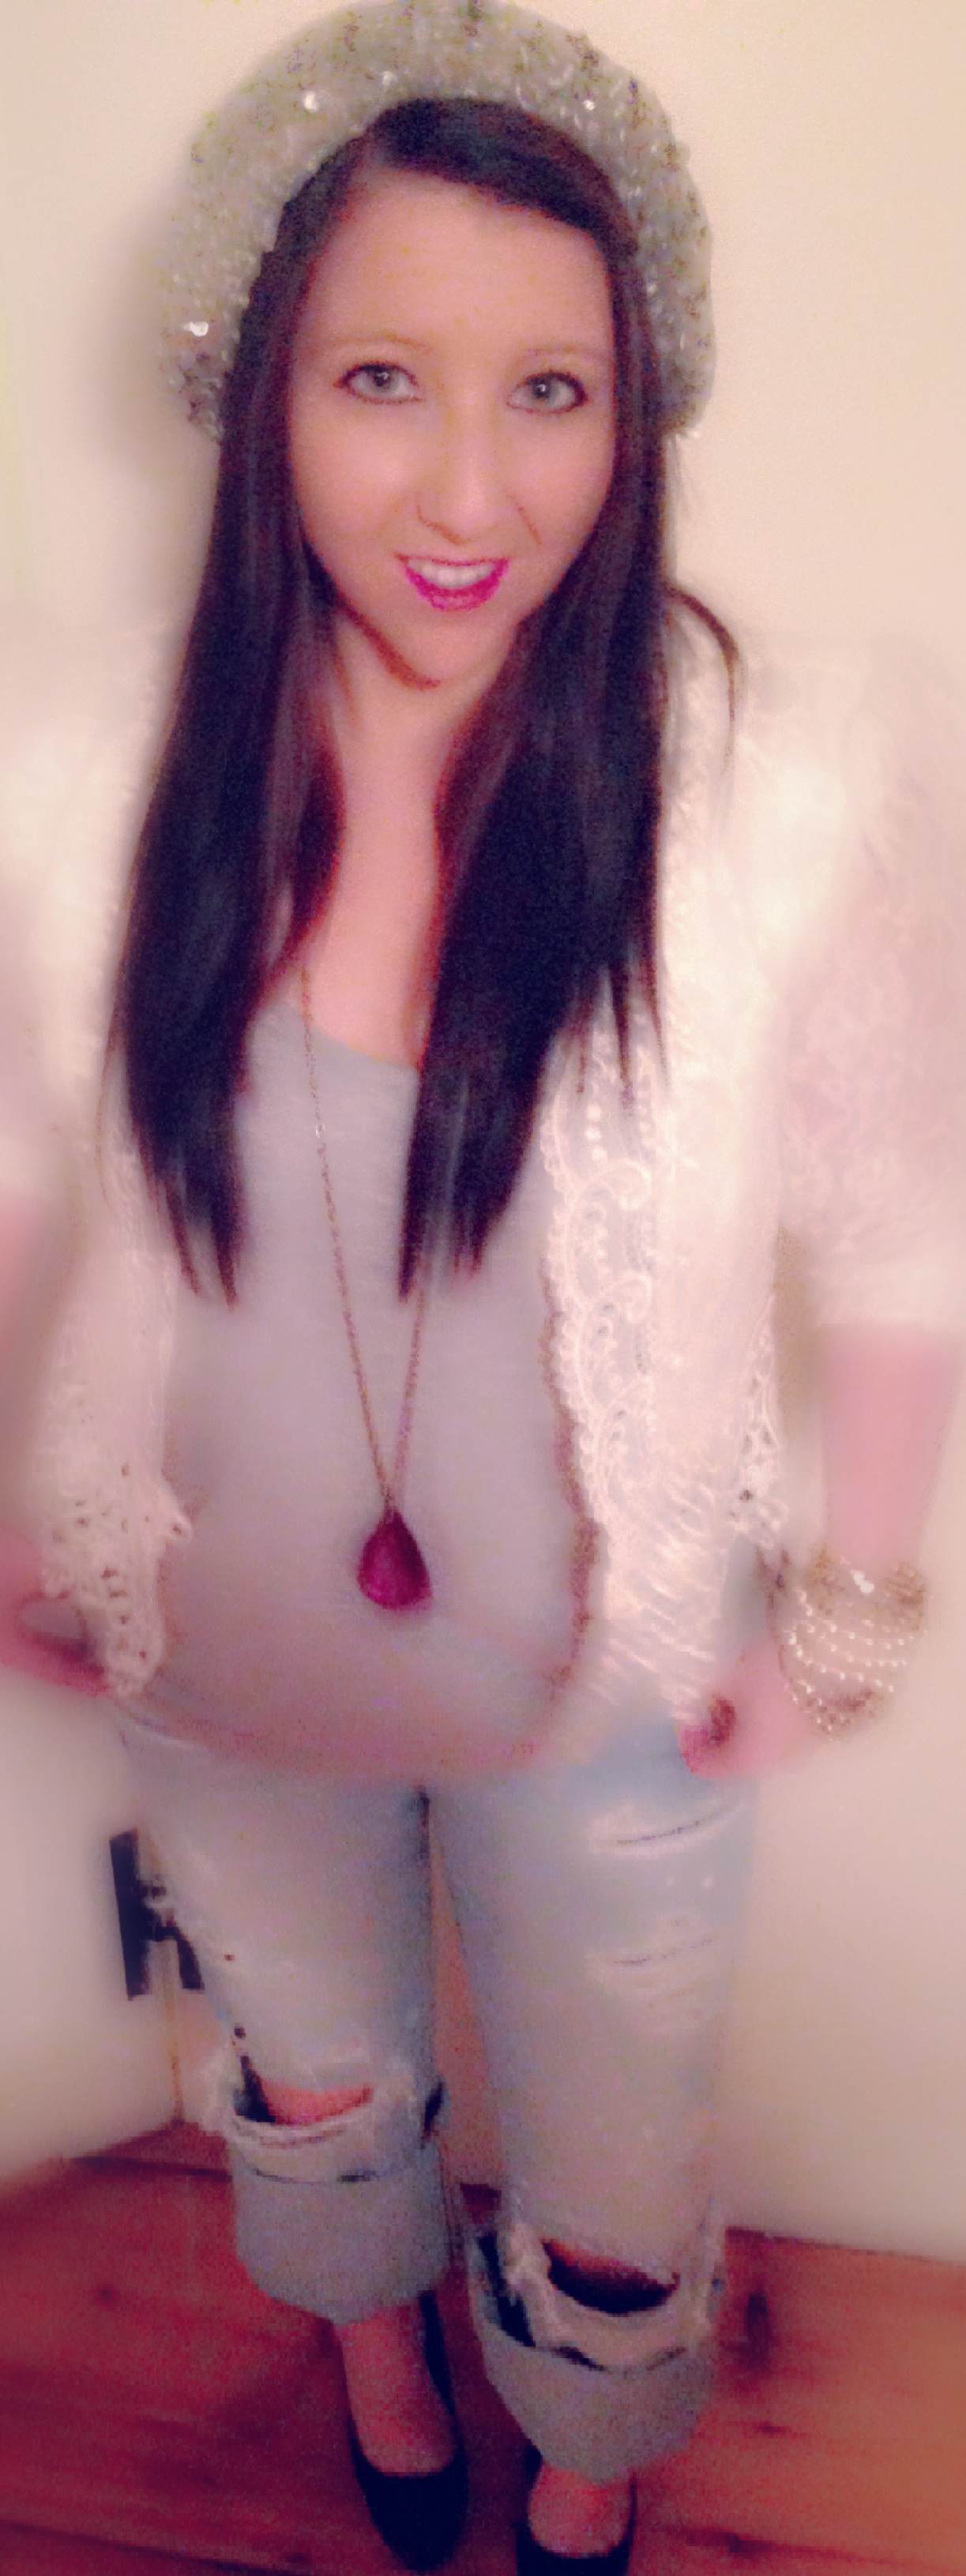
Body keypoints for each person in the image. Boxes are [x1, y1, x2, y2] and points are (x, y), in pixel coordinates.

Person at [1, 2, 963, 2567]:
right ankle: (377, 2353)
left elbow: (901, 1214)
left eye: (551, 392)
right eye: (380, 382)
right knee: (313, 2076)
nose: (465, 491)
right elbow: (32, 1170)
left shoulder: (770, 793)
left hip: (608, 1694)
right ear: (257, 395)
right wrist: (19, 1503)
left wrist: (856, 1606)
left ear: (639, 410)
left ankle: (589, 2444)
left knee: (622, 2147)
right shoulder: (90, 774)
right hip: (221, 1667)